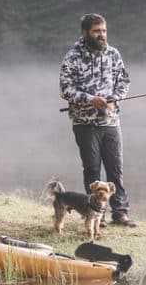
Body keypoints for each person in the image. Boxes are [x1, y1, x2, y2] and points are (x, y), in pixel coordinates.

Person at [58, 13, 137, 226]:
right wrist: (91, 99)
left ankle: (120, 213)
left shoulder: (113, 54)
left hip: (111, 122)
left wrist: (114, 98)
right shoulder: (73, 57)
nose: (101, 34)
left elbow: (124, 81)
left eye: (103, 30)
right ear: (85, 33)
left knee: (115, 169)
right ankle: (94, 214)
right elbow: (66, 90)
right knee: (92, 170)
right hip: (85, 124)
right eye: (96, 31)